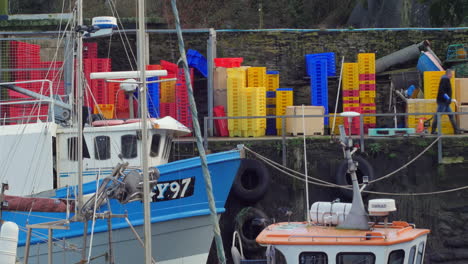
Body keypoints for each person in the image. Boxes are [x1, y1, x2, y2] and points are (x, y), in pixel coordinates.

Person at [431, 69, 460, 134]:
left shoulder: (446, 79)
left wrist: (448, 99)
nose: (452, 76)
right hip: (443, 102)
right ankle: (433, 131)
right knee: (438, 116)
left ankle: (456, 130)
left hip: (445, 102)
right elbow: (442, 91)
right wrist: (448, 98)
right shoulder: (445, 80)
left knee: (451, 116)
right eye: (451, 74)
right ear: (448, 74)